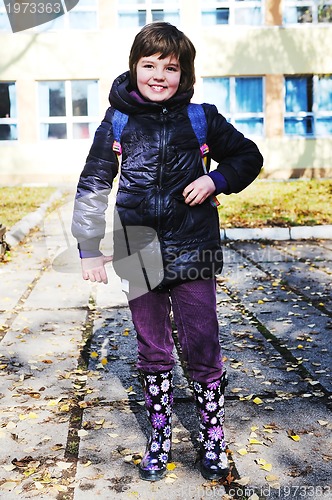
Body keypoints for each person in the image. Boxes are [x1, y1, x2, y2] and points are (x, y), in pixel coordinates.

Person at [71, 21, 263, 482]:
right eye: (149, 64)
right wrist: (88, 248)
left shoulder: (201, 117)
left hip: (193, 247)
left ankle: (212, 434)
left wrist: (215, 179)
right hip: (138, 249)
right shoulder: (117, 120)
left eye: (170, 67)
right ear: (134, 67)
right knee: (153, 347)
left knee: (202, 342)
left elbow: (248, 156)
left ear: (185, 73)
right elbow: (94, 183)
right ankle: (160, 432)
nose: (158, 75)